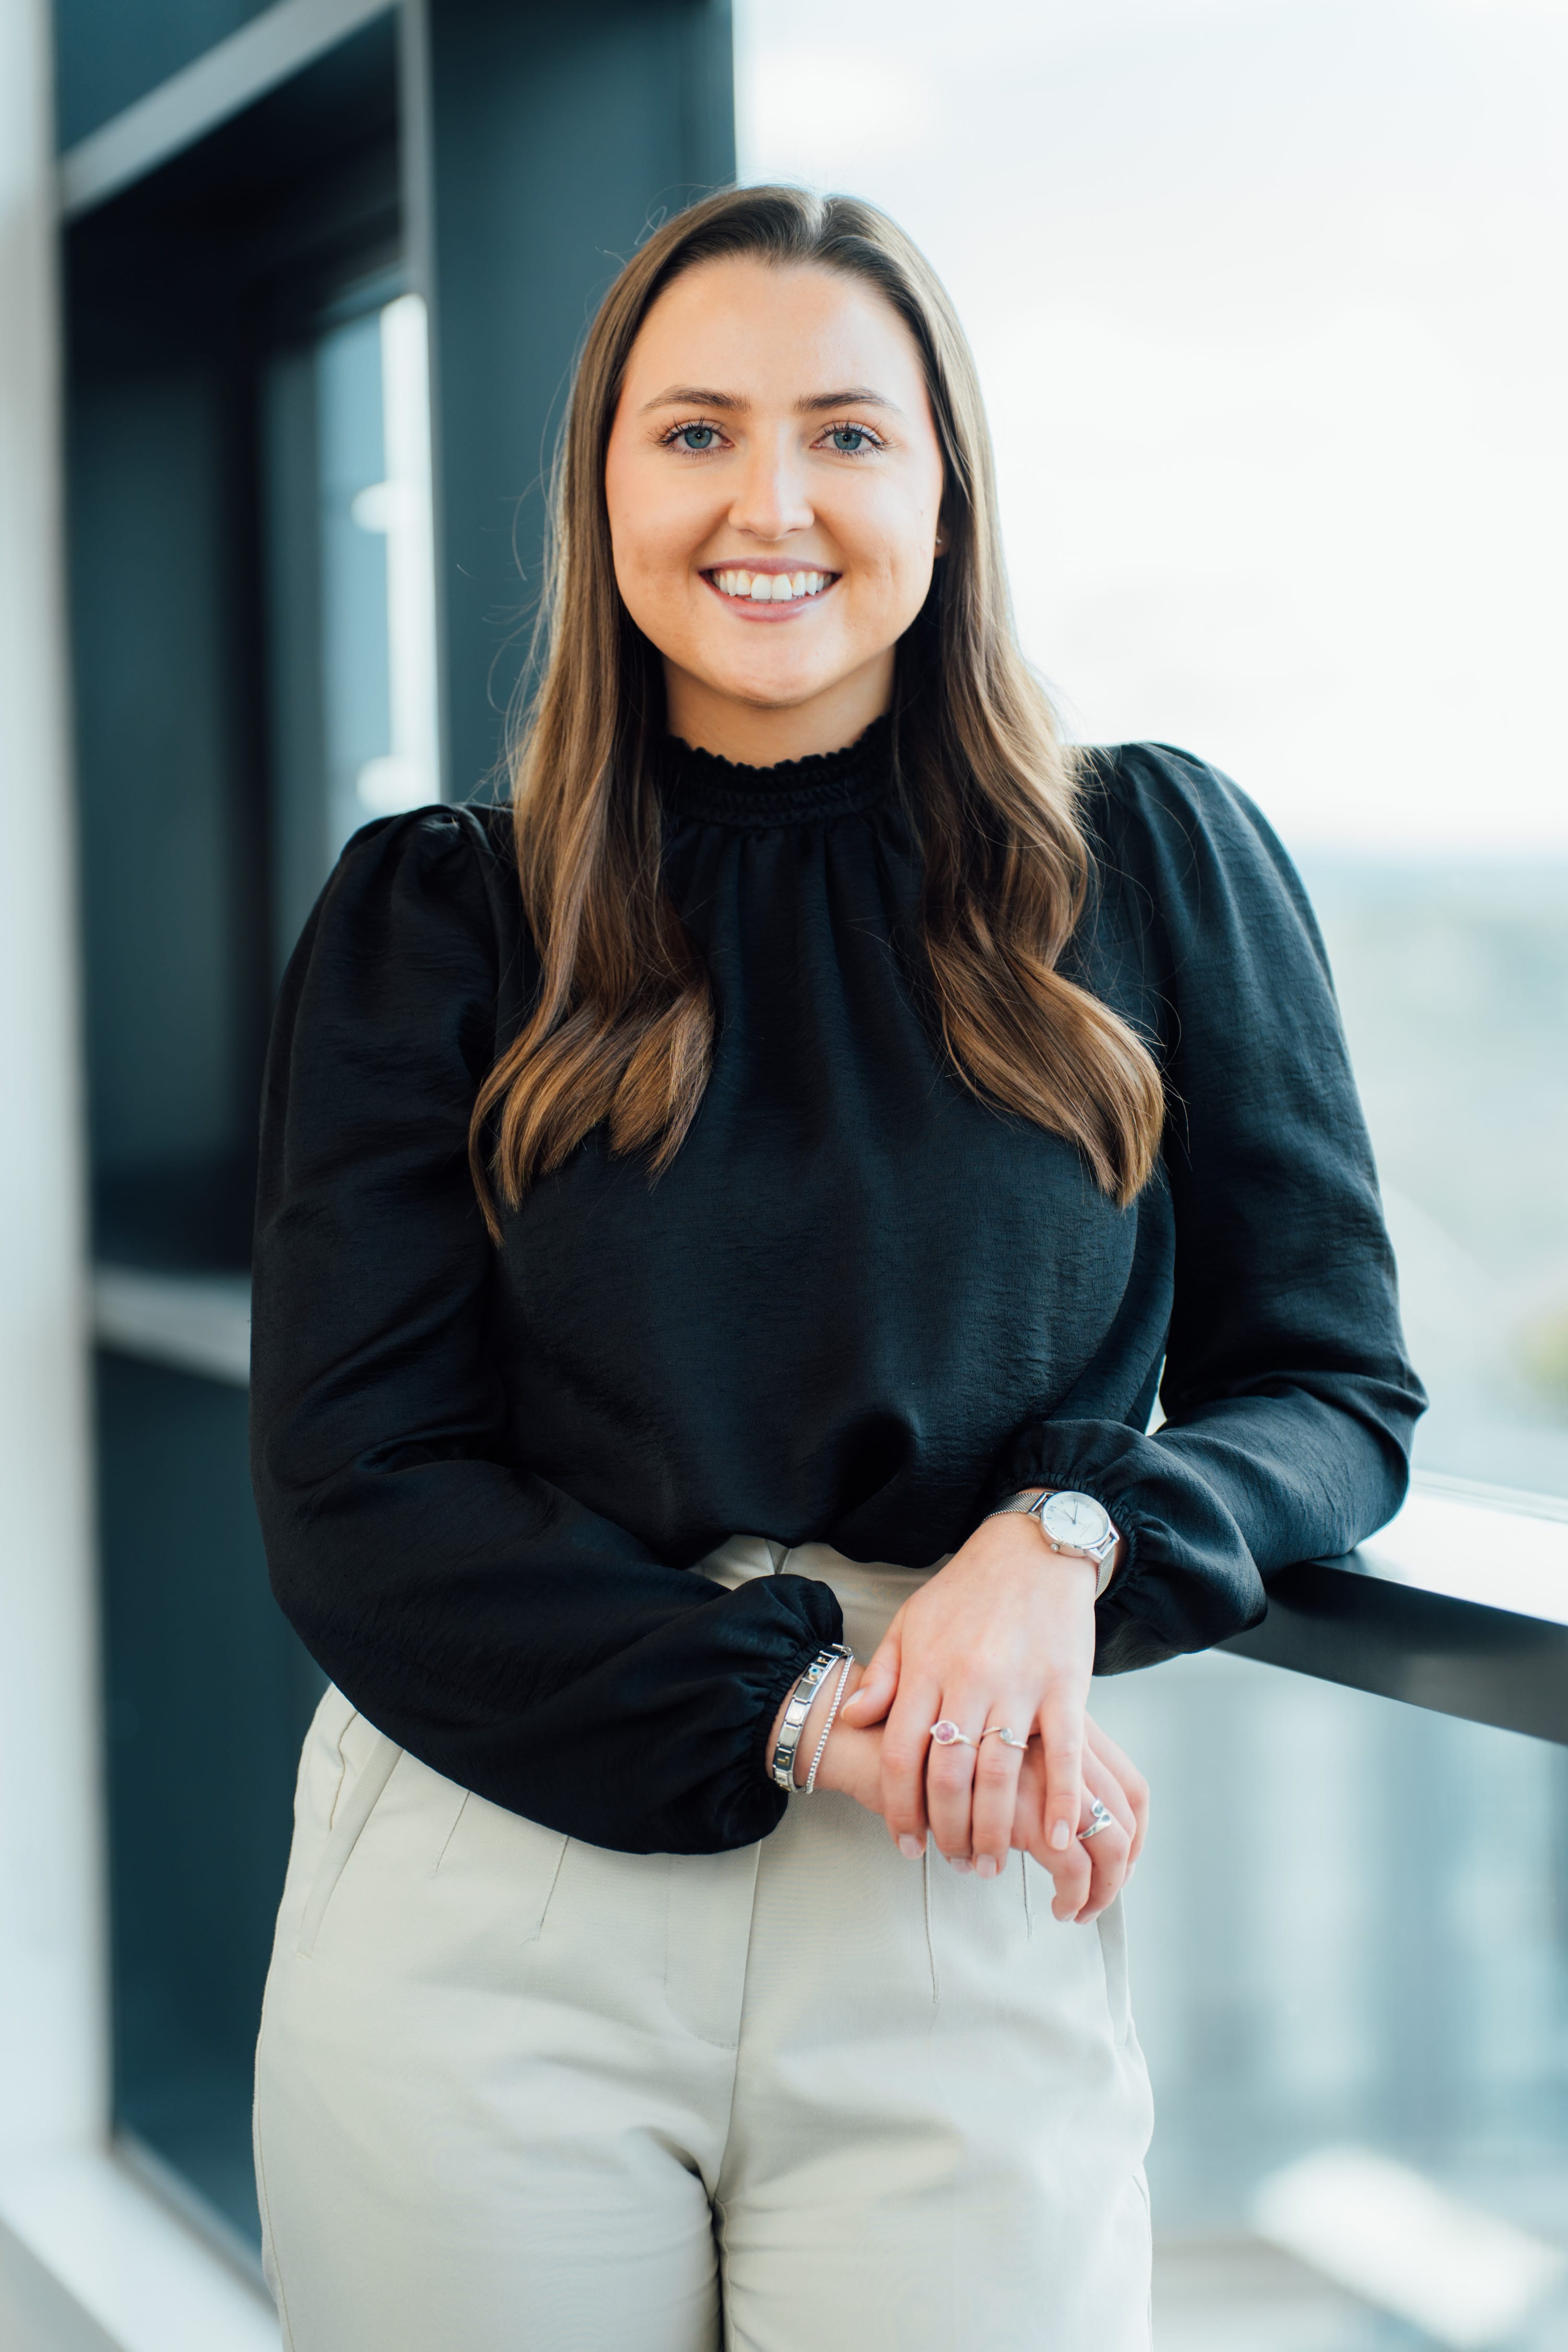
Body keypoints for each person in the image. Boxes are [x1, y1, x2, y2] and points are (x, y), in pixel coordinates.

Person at [248, 185, 1423, 2352]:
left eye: (847, 433)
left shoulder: (1149, 864)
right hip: (498, 1887)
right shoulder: (441, 919)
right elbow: (352, 1478)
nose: (767, 500)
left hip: (962, 1875)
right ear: (603, 480)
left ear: (947, 485)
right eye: (693, 433)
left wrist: (1073, 1535)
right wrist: (795, 1709)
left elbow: (1337, 1393)